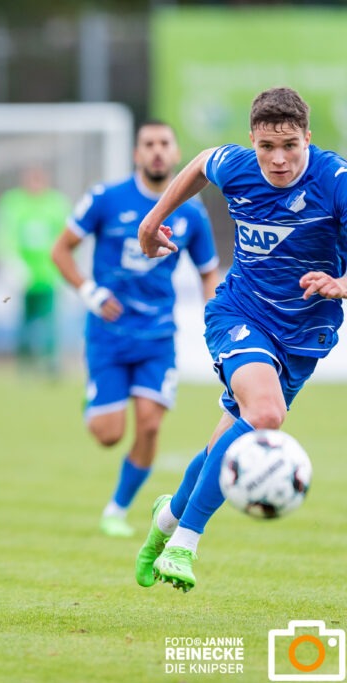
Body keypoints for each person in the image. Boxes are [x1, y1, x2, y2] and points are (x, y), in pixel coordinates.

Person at [135, 87, 347, 592]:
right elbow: (201, 164)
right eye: (267, 146)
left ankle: (164, 522)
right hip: (238, 312)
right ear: (252, 140)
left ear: (308, 138)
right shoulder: (237, 165)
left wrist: (342, 283)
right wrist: (152, 220)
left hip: (304, 335)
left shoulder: (335, 181)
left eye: (290, 146)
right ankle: (185, 543)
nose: (278, 159)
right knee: (267, 415)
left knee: (224, 442)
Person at [51, 120, 220, 539]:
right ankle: (96, 401)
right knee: (108, 435)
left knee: (149, 424)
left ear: (176, 153)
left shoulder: (192, 213)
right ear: (136, 153)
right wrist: (89, 291)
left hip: (157, 336)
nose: (157, 150)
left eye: (164, 143)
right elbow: (61, 250)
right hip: (107, 334)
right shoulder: (106, 198)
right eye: (149, 144)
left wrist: (215, 317)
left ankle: (117, 509)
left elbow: (208, 272)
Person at [0, 165, 71, 374]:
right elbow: (5, 235)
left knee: (49, 322)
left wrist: (66, 267)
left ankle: (50, 363)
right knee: (24, 322)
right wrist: (10, 263)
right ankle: (25, 364)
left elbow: (66, 237)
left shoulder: (56, 204)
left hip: (49, 274)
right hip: (24, 276)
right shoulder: (13, 203)